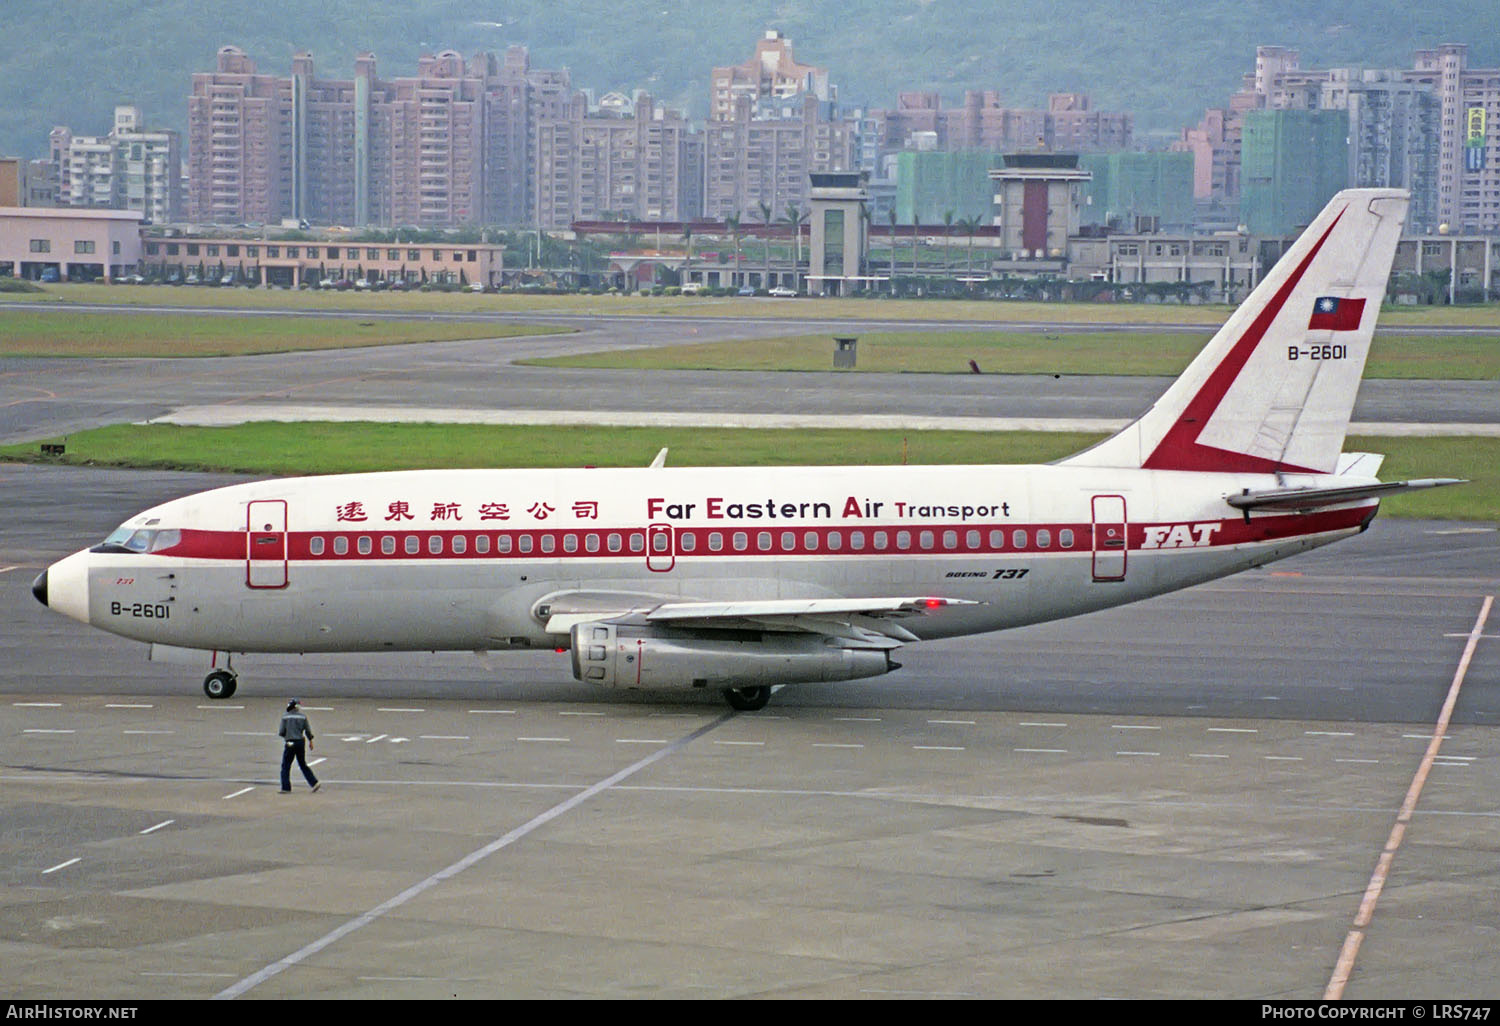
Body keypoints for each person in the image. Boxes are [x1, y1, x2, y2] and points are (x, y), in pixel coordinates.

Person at [278, 699, 320, 793]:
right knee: (302, 764)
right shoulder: (302, 717)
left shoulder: (285, 717)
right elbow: (308, 730)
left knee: (286, 766)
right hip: (300, 742)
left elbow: (281, 731)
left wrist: (287, 736)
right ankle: (314, 782)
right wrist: (310, 740)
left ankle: (286, 787)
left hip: (290, 742)